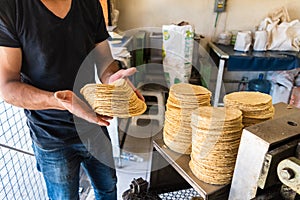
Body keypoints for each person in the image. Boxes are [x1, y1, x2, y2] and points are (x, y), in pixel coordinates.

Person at [0, 0, 143, 199]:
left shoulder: (90, 4)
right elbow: (8, 87)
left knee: (108, 187)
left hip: (93, 124)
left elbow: (105, 62)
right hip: (50, 134)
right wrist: (60, 101)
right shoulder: (11, 8)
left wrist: (113, 80)